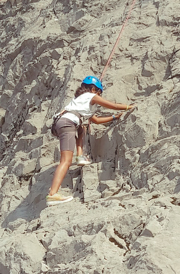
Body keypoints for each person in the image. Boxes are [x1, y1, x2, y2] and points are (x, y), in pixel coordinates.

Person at [46, 75, 134, 205]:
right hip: (67, 124)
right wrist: (129, 107)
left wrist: (115, 117)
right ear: (93, 89)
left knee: (83, 127)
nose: (99, 95)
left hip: (62, 122)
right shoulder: (91, 96)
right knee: (65, 161)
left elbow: (96, 120)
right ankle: (53, 194)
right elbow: (113, 105)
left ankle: (80, 156)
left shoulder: (79, 100)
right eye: (99, 92)